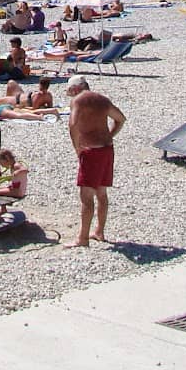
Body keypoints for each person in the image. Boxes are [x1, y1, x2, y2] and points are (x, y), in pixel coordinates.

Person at [66, 75, 125, 247]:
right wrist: (110, 135)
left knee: (86, 196)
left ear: (76, 89)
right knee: (101, 192)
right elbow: (121, 119)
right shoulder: (102, 99)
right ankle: (99, 231)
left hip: (91, 151)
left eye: (70, 90)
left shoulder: (78, 101)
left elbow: (72, 124)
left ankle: (83, 238)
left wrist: (77, 146)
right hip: (107, 149)